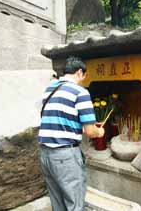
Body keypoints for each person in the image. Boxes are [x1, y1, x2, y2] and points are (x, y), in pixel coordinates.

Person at [38, 56, 104, 211]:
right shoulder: (80, 92)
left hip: (45, 155)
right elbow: (90, 131)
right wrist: (100, 131)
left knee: (58, 203)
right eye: (84, 77)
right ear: (79, 72)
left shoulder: (50, 88)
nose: (83, 80)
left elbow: (57, 118)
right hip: (65, 157)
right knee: (75, 203)